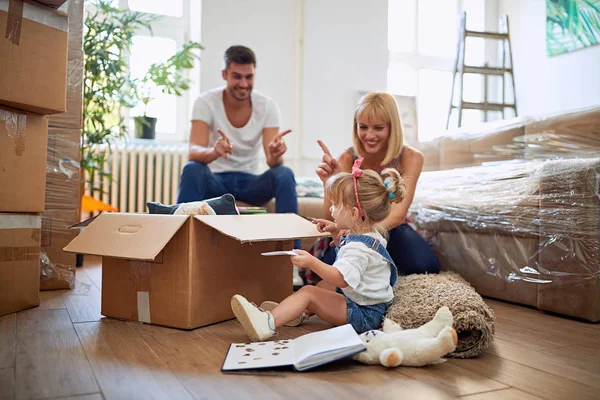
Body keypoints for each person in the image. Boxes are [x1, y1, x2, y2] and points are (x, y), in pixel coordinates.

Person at [230, 163, 405, 341]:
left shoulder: (359, 248)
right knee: (323, 286)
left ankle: (267, 323)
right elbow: (352, 265)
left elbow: (341, 278)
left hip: (364, 315)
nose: (331, 209)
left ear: (354, 213)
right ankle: (298, 312)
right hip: (369, 305)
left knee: (308, 292)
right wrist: (336, 232)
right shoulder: (369, 235)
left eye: (336, 205)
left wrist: (311, 262)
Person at [310, 91, 440, 279]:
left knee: (426, 265)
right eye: (363, 127)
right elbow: (331, 217)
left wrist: (366, 233)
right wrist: (329, 183)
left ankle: (379, 260)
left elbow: (396, 214)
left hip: (391, 228)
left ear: (392, 128)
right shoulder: (346, 158)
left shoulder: (412, 158)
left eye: (378, 128)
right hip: (351, 230)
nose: (369, 135)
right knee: (330, 269)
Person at [177, 45, 298, 228]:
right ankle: (180, 243)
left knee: (284, 173)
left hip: (251, 183)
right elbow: (193, 152)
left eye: (249, 77)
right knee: (192, 168)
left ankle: (292, 250)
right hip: (215, 181)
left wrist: (275, 154)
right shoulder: (205, 102)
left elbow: (273, 162)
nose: (243, 84)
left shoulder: (267, 106)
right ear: (224, 74)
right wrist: (213, 152)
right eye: (237, 76)